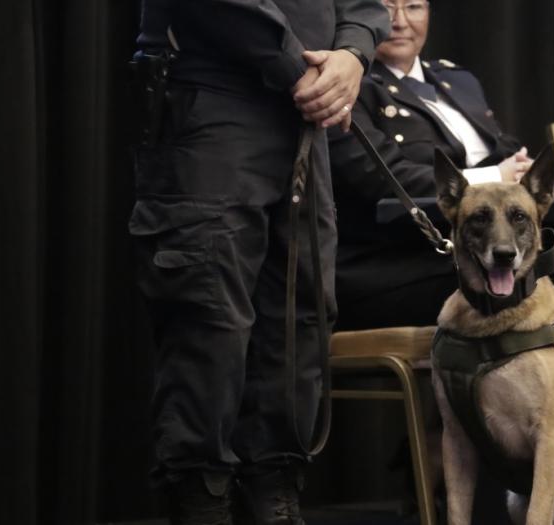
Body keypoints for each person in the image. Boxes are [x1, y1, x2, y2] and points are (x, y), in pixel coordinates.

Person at [128, 0, 388, 523]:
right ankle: (203, 502)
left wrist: (354, 54)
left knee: (300, 318)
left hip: (302, 116)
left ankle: (276, 492)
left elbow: (364, 6)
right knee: (209, 320)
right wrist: (305, 69)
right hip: (214, 103)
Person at [328, 0, 529, 330]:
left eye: (414, 7)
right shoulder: (350, 87)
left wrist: (523, 168)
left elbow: (501, 147)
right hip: (397, 260)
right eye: (386, 9)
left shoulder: (458, 81)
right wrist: (497, 177)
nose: (399, 22)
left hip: (477, 246)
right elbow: (385, 179)